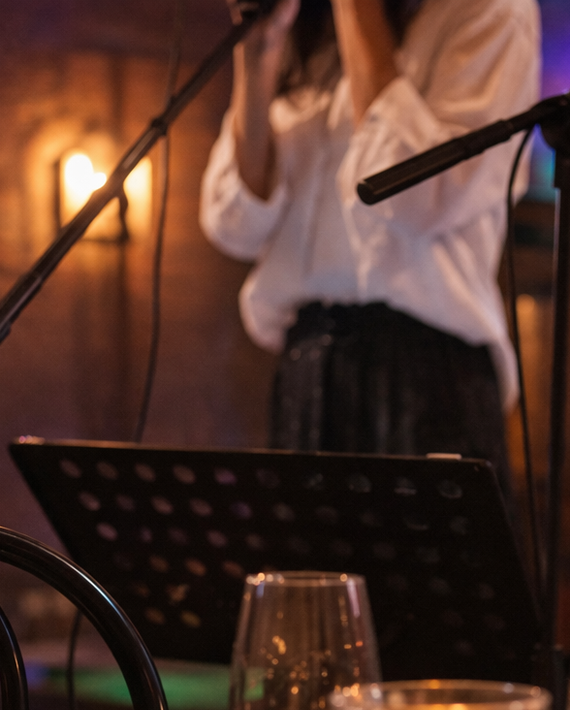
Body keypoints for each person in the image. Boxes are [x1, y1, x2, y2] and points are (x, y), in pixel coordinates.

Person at [200, 0, 540, 482]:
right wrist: (257, 53)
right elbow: (235, 222)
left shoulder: (486, 10)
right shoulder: (307, 33)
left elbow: (409, 193)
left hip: (424, 369)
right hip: (307, 365)